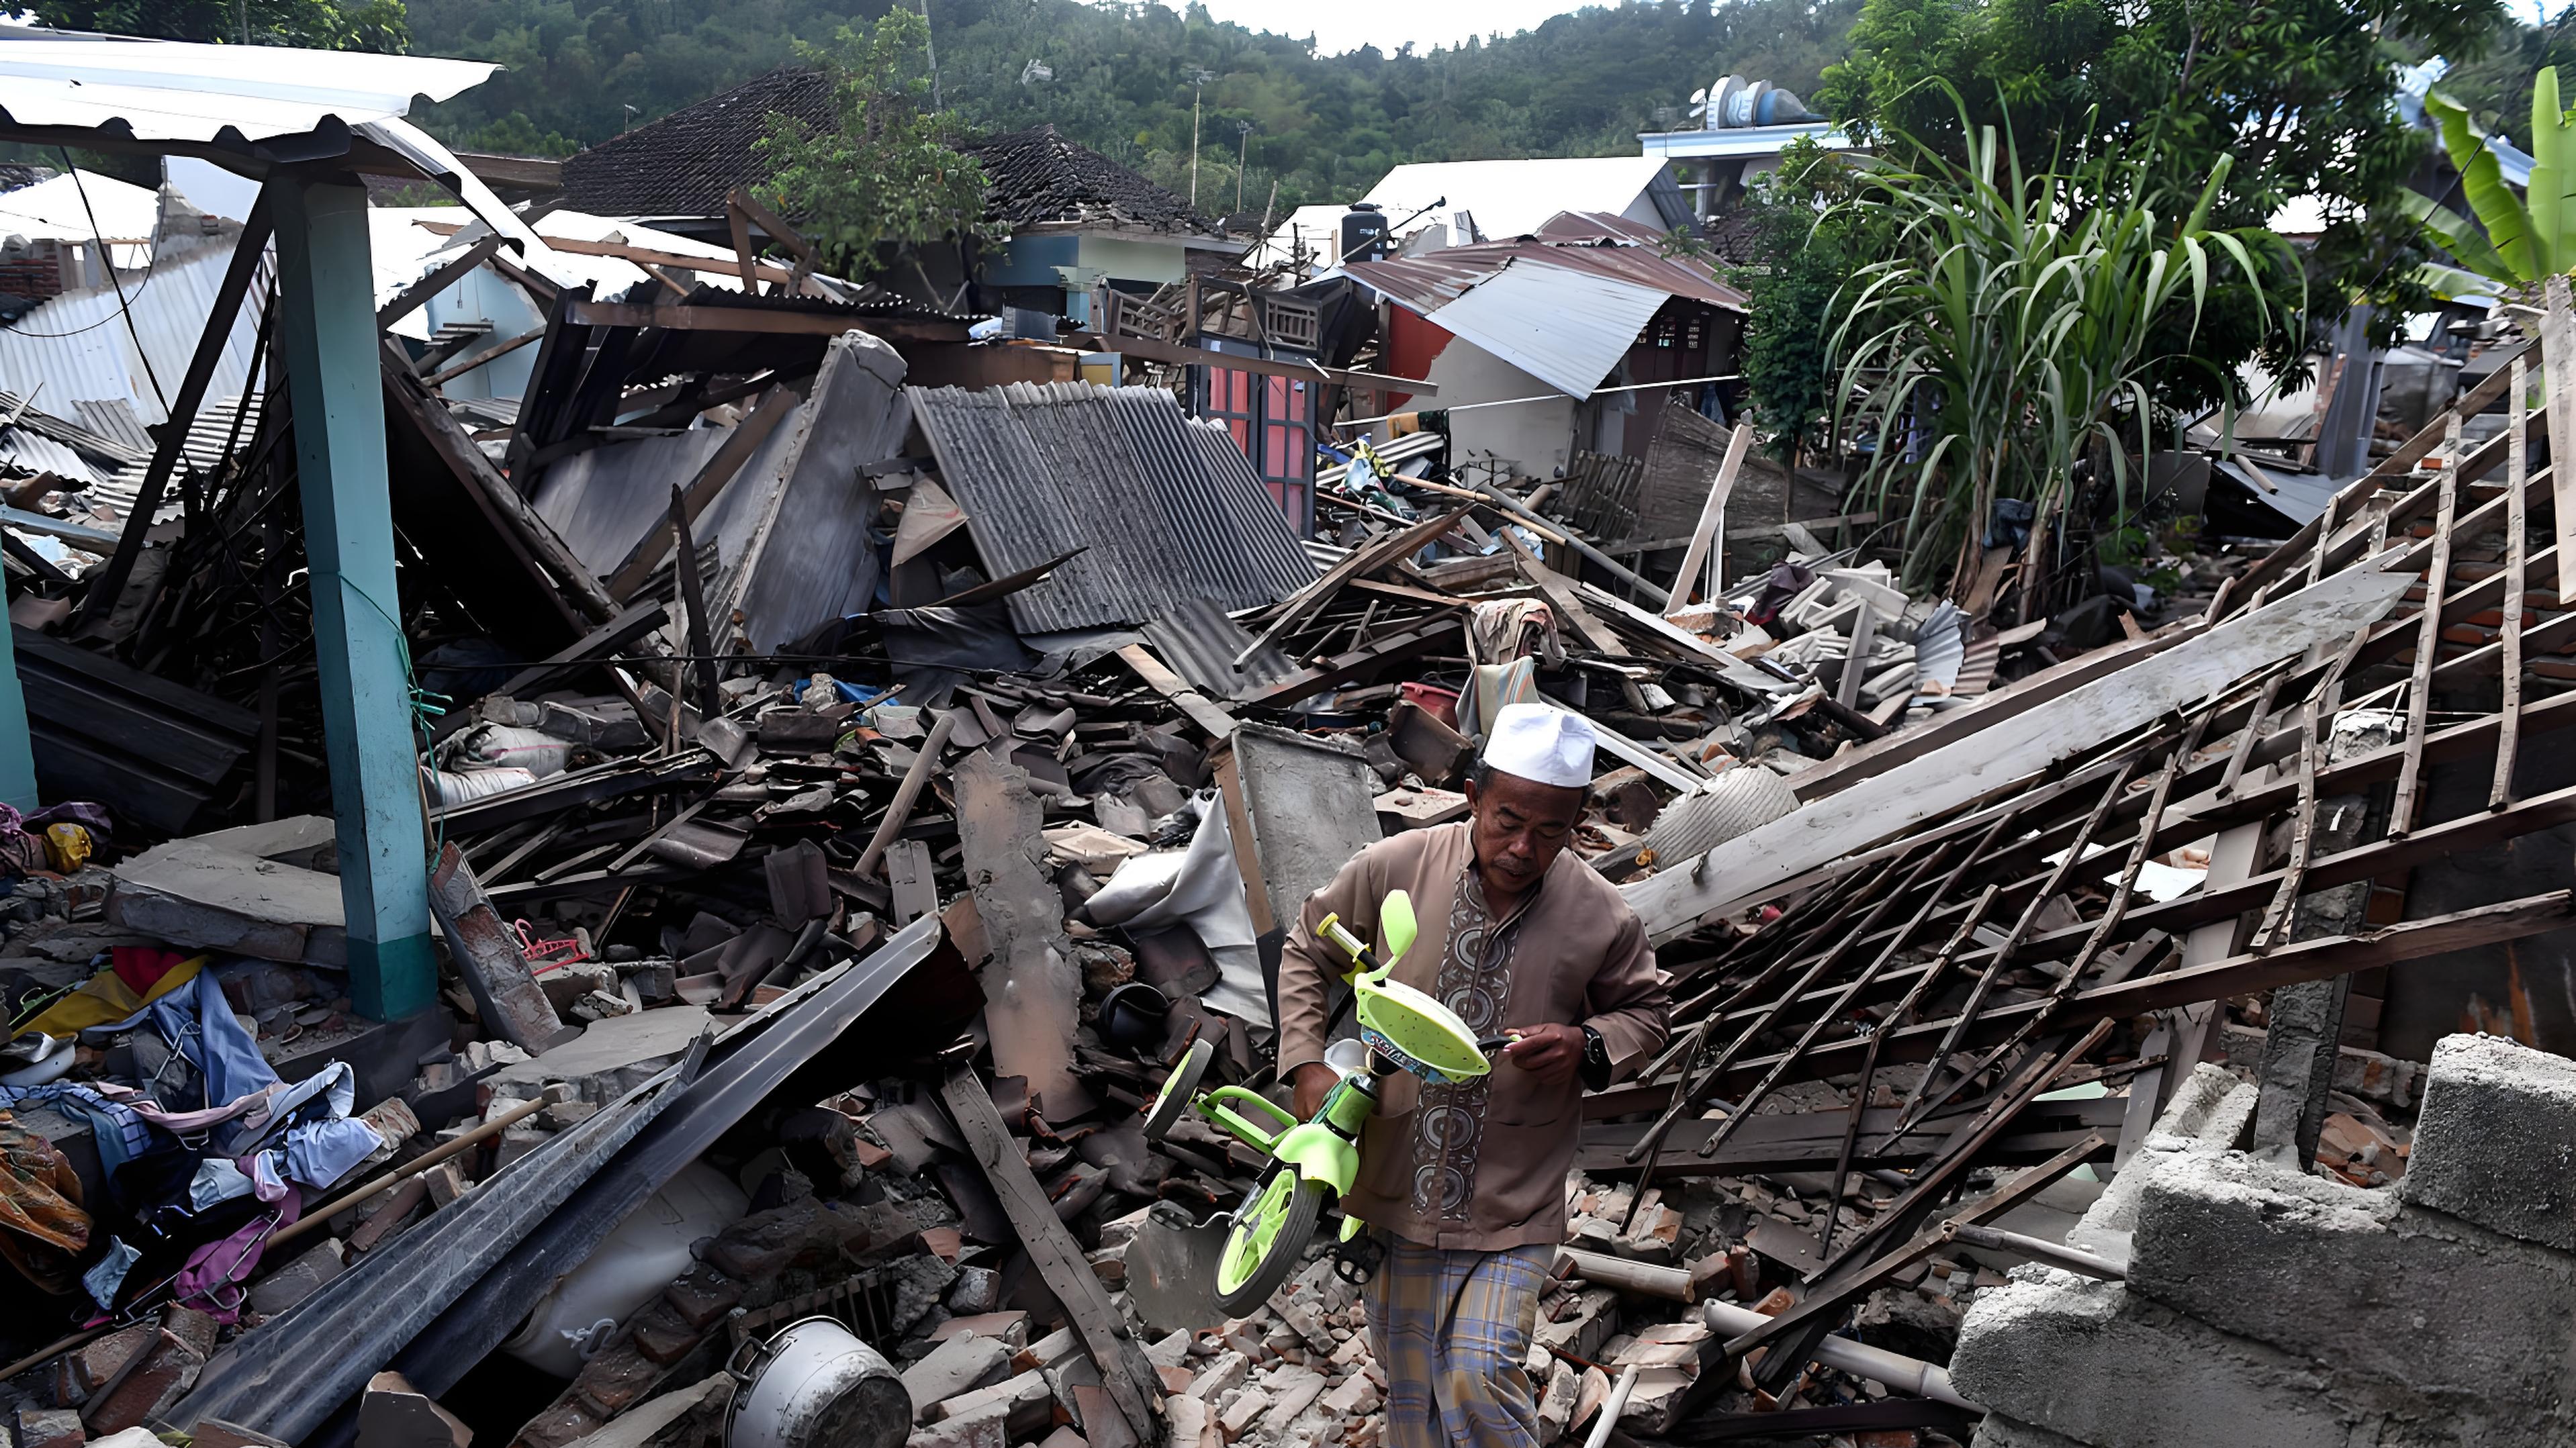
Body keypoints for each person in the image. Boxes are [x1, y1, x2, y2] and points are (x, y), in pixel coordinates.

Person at [1273, 702, 1670, 1448]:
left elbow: (1647, 1015)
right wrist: (1302, 1063)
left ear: (1577, 822)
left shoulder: (1601, 917)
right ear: (1473, 798)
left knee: (1479, 1373)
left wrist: (1585, 1043)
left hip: (1510, 1193)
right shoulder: (1394, 869)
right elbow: (1307, 948)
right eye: (1507, 820)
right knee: (1413, 1396)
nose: (1522, 847)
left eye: (1549, 830)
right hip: (1394, 1181)